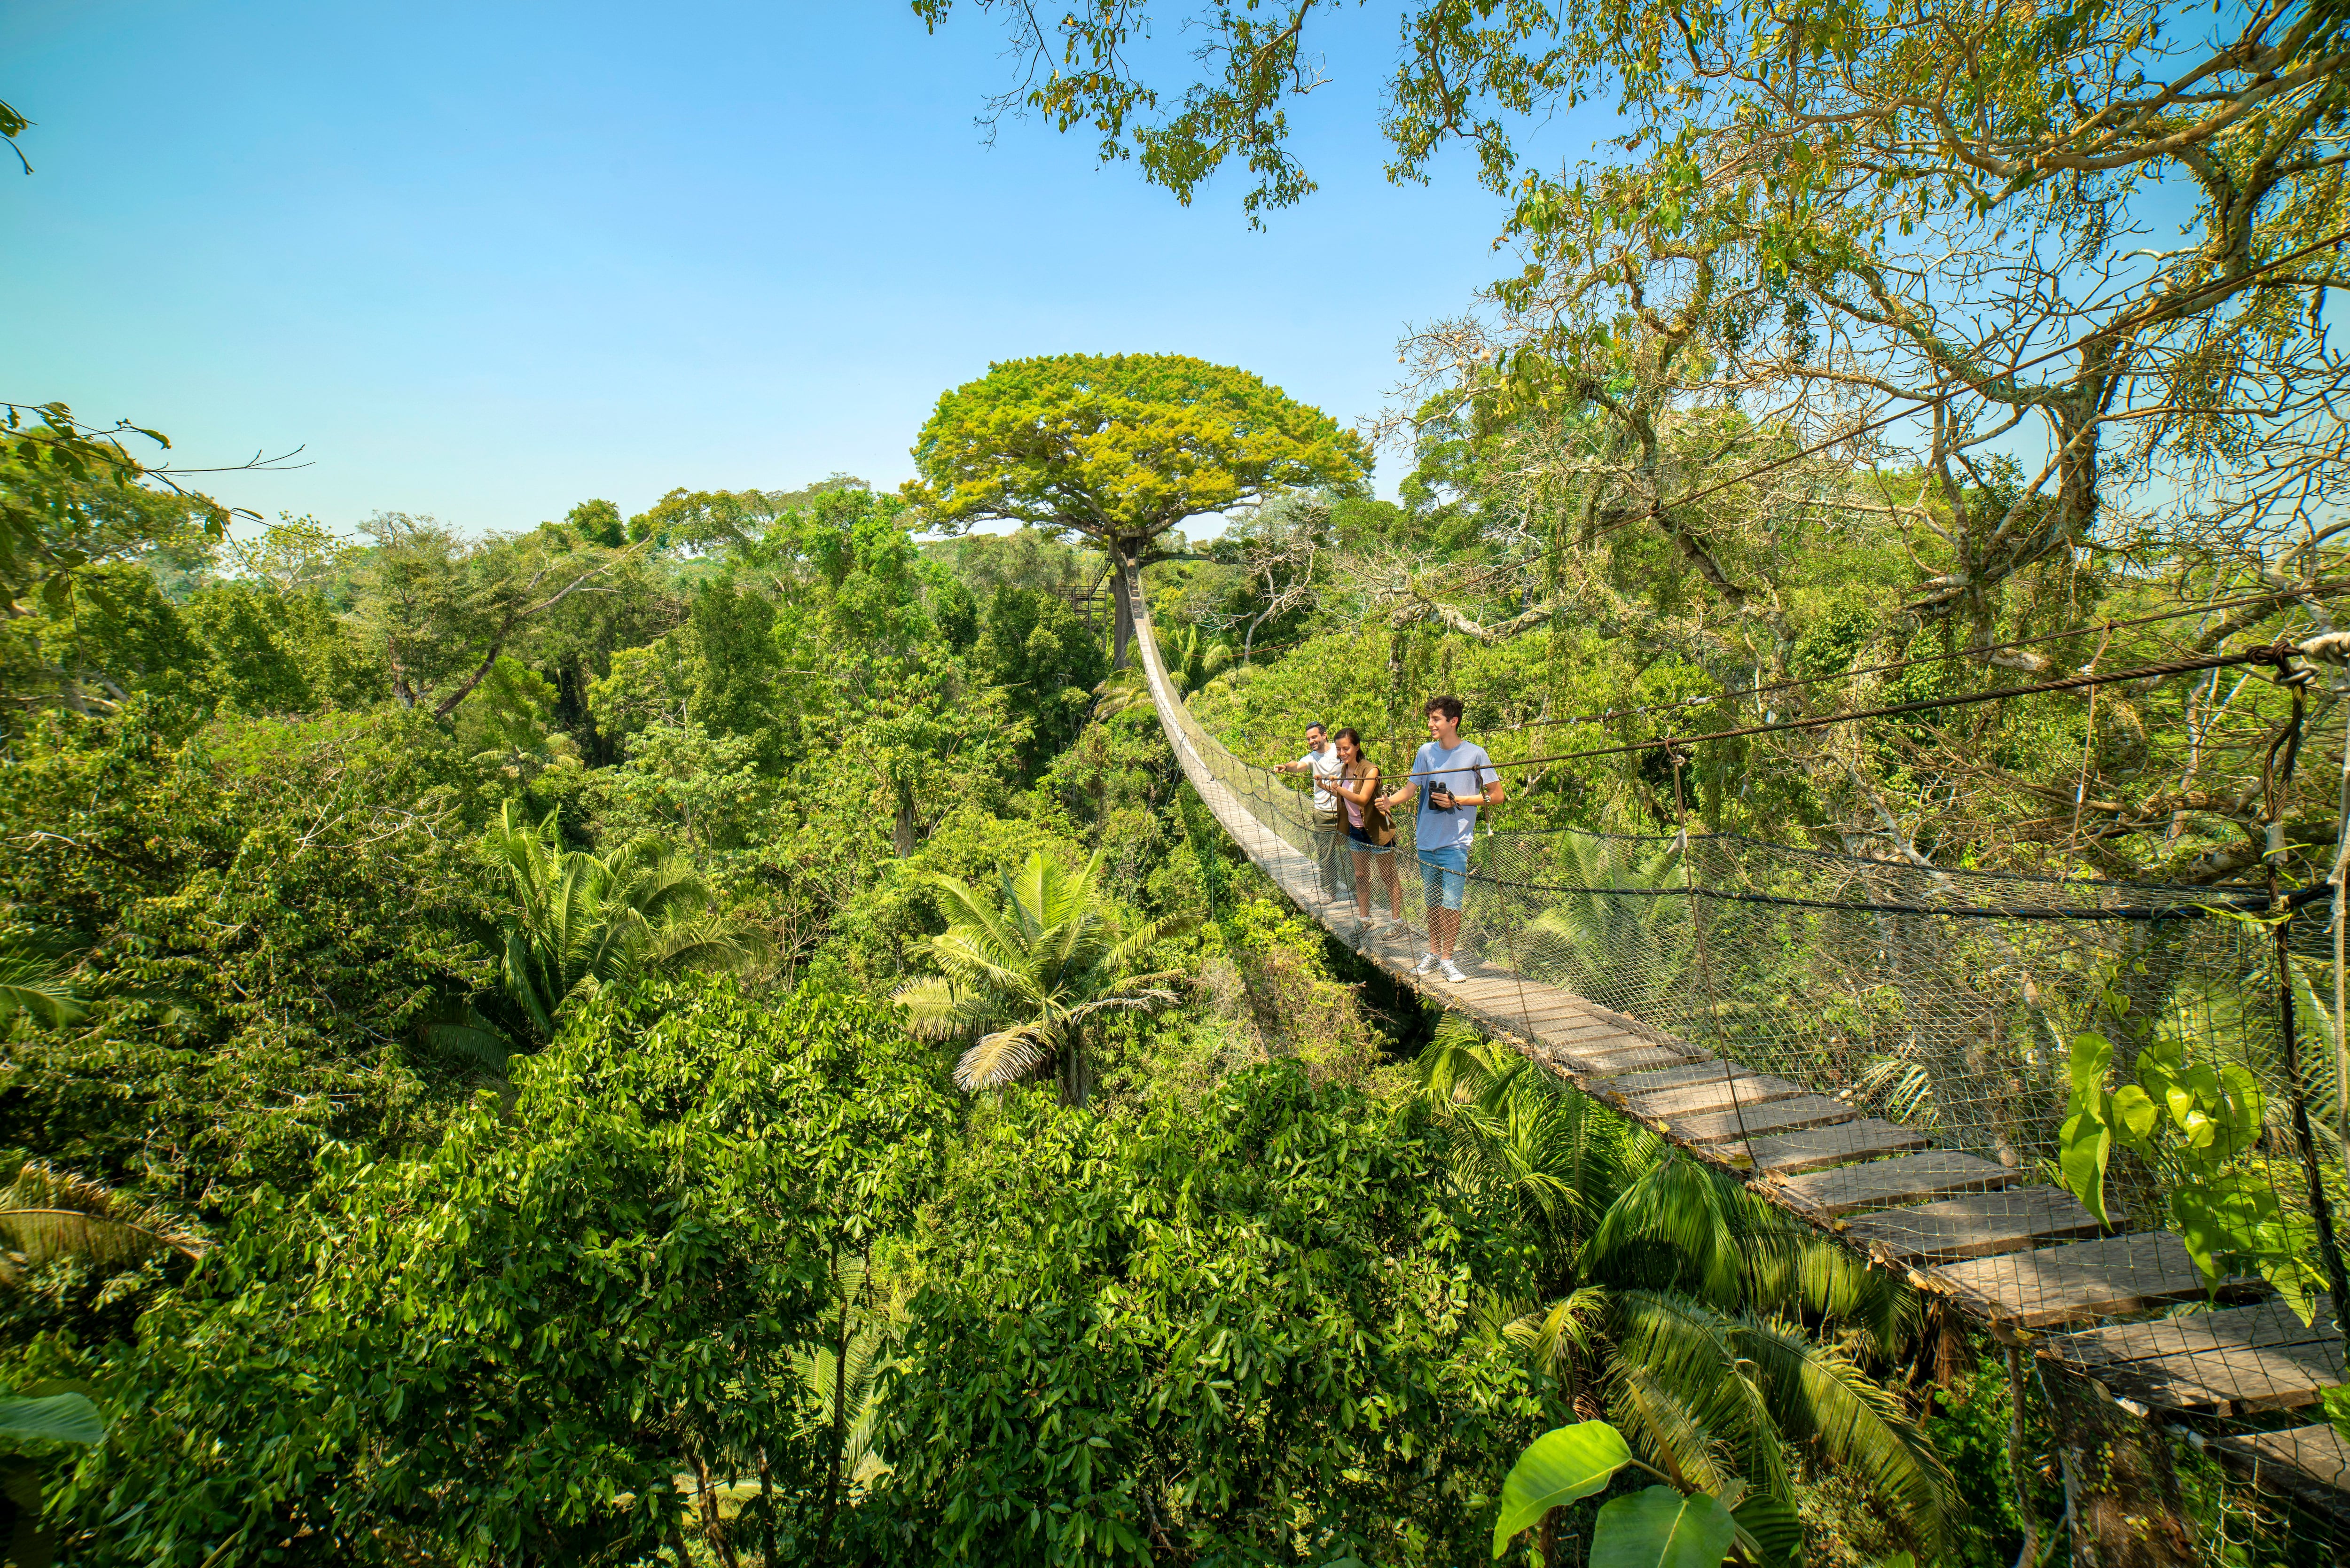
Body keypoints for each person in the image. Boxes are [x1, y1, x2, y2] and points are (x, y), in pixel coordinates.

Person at [1379, 694, 1505, 983]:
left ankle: (1448, 959)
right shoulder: (1425, 752)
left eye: (1436, 719)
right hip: (1426, 840)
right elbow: (1411, 790)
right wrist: (1390, 803)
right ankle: (1433, 954)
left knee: (1452, 903)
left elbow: (1496, 796)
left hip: (1456, 842)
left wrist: (1456, 801)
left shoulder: (1476, 755)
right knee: (1433, 903)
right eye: (1430, 718)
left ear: (1453, 721)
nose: (1431, 724)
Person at [1327, 727, 1403, 930]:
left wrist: (1338, 788)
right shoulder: (1344, 770)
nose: (1342, 753)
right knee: (1361, 875)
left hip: (1376, 830)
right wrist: (1328, 786)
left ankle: (1397, 922)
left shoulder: (1371, 770)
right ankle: (1365, 919)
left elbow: (1362, 799)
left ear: (1357, 747)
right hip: (1355, 830)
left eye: (1346, 748)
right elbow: (1342, 795)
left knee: (1388, 876)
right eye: (1339, 749)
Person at [1272, 720, 1350, 903]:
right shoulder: (1312, 757)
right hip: (1323, 811)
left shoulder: (1340, 752)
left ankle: (1354, 889)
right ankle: (1329, 891)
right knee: (1325, 854)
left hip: (1345, 809)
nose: (1311, 741)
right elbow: (1298, 765)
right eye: (1308, 739)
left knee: (1351, 851)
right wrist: (1285, 766)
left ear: (1324, 735)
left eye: (1314, 737)